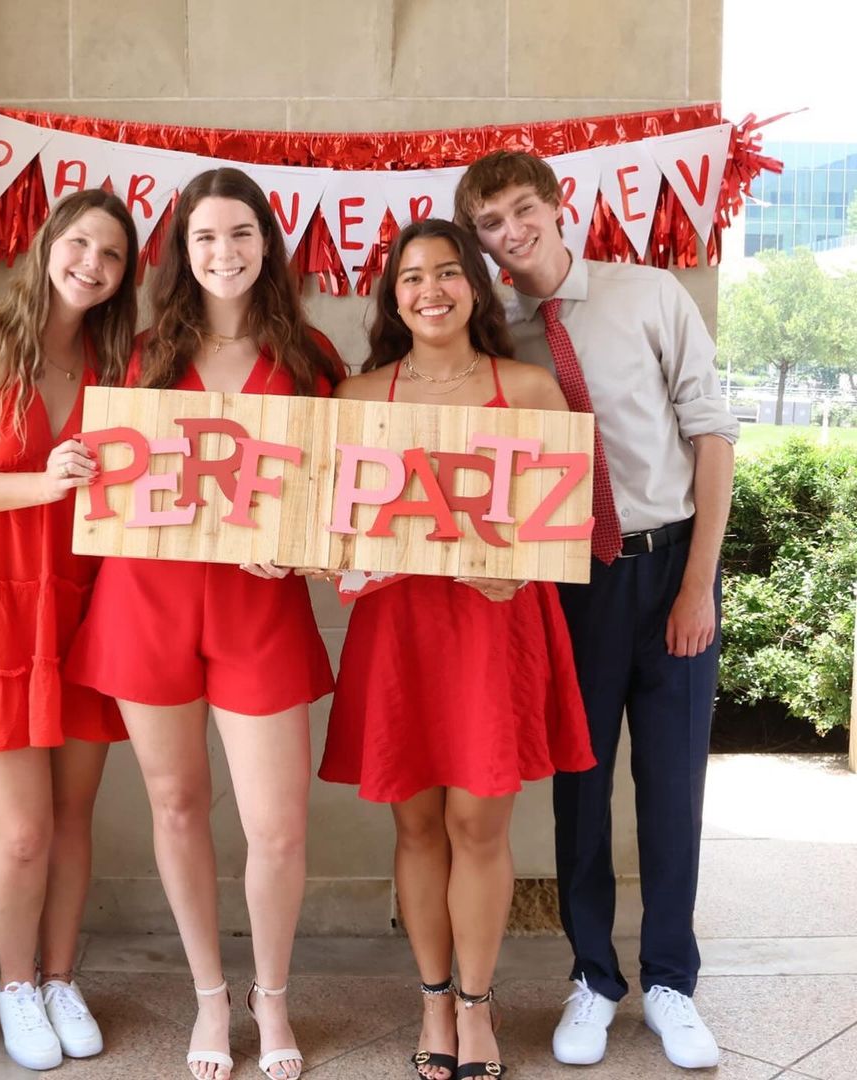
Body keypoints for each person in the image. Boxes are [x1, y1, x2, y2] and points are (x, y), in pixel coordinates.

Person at [454, 151, 739, 1071]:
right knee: (578, 786)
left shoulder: (648, 293)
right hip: (573, 582)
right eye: (490, 223)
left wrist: (697, 585)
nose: (511, 232)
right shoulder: (495, 335)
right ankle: (594, 978)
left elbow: (712, 437)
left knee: (672, 788)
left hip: (672, 568)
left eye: (522, 209)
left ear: (557, 203)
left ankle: (671, 983)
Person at [65, 167, 343, 1080]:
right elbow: (99, 462)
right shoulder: (136, 353)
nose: (224, 252)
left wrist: (300, 550)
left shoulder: (311, 357)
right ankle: (210, 997)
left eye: (240, 233)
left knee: (279, 828)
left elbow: (337, 498)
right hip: (147, 603)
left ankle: (273, 996)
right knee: (177, 805)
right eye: (205, 237)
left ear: (267, 242)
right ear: (182, 253)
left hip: (259, 610)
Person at [318, 218, 596, 1080]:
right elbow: (331, 527)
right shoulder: (358, 397)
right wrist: (318, 554)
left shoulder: (531, 389)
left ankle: (477, 1004)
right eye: (411, 277)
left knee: (478, 822)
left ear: (476, 287)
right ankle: (434, 998)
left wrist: (522, 567)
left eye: (447, 272)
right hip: (398, 629)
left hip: (494, 628)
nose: (429, 290)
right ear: (392, 297)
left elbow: (571, 518)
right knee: (415, 820)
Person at [0, 189, 139, 1069]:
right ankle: (15, 985)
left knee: (73, 818)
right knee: (22, 832)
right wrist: (45, 483)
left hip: (86, 608)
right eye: (80, 243)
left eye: (112, 254)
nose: (92, 263)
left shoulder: (116, 361)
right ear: (46, 245)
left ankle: (60, 978)